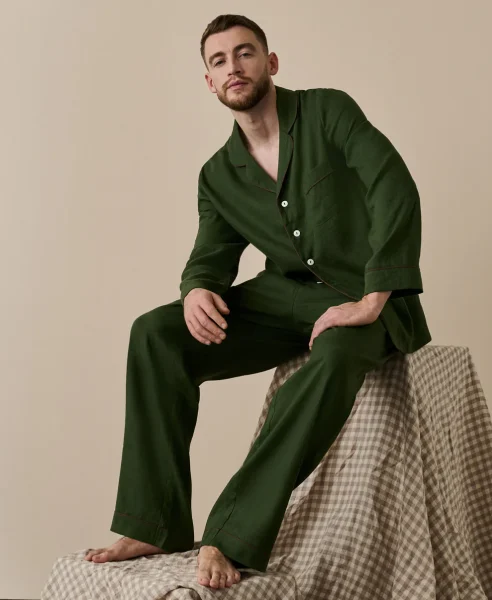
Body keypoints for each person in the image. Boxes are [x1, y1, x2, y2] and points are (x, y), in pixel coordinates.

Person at [83, 13, 432, 590]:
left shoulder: (328, 111)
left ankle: (232, 532)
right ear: (209, 82)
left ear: (270, 62)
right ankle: (153, 522)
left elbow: (392, 185)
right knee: (155, 333)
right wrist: (197, 289)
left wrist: (375, 296)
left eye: (244, 53)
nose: (233, 67)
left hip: (361, 295)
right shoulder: (218, 175)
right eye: (219, 61)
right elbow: (211, 254)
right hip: (282, 299)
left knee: (336, 356)